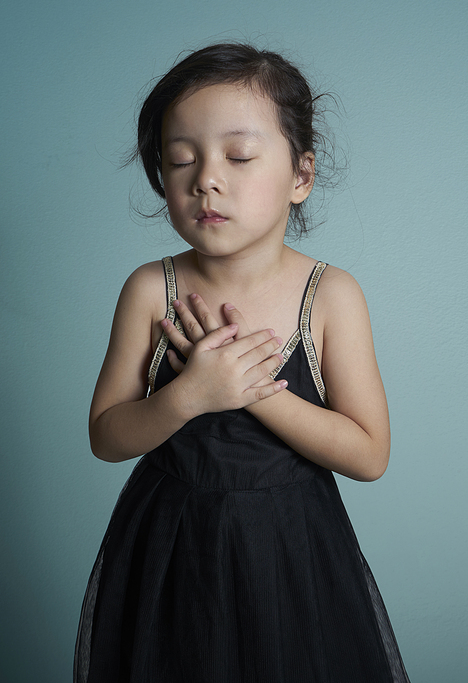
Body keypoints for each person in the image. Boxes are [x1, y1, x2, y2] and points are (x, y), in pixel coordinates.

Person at [74, 43, 410, 682]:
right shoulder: (152, 290)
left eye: (239, 156)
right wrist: (189, 394)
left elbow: (369, 455)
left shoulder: (331, 295)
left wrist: (255, 389)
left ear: (301, 177)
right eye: (180, 160)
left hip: (292, 549)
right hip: (170, 549)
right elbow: (105, 436)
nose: (206, 178)